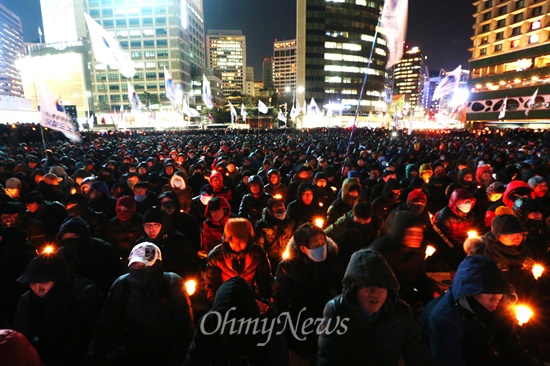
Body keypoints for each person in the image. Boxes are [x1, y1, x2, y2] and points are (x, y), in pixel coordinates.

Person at [419, 255, 540, 366]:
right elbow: (448, 360)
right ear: (470, 291)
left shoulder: (497, 306)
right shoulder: (443, 317)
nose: (496, 298)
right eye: (489, 291)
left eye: (499, 291)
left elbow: (512, 349)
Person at [86, 243, 195, 365]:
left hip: (166, 347)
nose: (138, 269)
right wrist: (97, 357)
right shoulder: (122, 285)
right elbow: (107, 324)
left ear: (156, 264)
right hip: (132, 346)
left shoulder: (172, 284)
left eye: (144, 266)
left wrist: (176, 360)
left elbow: (184, 328)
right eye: (135, 265)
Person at [317, 249, 431, 365]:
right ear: (354, 289)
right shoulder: (336, 310)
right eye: (368, 286)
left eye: (381, 286)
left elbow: (418, 355)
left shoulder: (400, 312)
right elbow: (327, 357)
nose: (375, 293)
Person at [14, 252, 103, 365]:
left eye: (44, 282)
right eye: (32, 282)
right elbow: (22, 335)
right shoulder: (28, 300)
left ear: (58, 280)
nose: (37, 289)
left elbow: (86, 336)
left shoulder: (85, 293)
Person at [272, 223, 342, 364]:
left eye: (323, 242)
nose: (321, 246)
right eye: (316, 245)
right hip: (301, 321)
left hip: (329, 317)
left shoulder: (333, 258)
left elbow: (341, 285)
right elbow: (279, 299)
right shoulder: (288, 267)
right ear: (303, 248)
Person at [184, 277, 289, 366]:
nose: (232, 333)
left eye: (240, 327)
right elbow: (193, 361)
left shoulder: (270, 328)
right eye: (226, 327)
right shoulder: (208, 325)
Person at [369, 211, 440, 311]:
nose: (416, 237)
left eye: (419, 233)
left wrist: (433, 291)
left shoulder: (417, 252)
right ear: (400, 232)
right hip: (384, 301)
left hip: (407, 297)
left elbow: (419, 276)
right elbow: (372, 285)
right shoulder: (380, 251)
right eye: (411, 233)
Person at [204, 218, 272, 303]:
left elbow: (264, 282)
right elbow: (212, 286)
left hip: (250, 299)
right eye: (233, 240)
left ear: (248, 239)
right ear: (227, 239)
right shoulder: (216, 257)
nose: (237, 244)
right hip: (225, 300)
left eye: (242, 240)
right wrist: (220, 304)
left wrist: (260, 302)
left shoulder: (257, 254)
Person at [136, 208, 199, 280]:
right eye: (147, 225)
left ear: (163, 225)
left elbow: (191, 264)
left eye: (156, 225)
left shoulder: (178, 240)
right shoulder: (141, 244)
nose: (151, 229)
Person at [324, 201, 382, 268]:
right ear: (354, 215)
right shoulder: (344, 222)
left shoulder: (377, 223)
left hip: (371, 257)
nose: (362, 223)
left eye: (365, 220)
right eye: (359, 220)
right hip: (348, 258)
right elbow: (326, 234)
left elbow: (386, 238)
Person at [254, 198, 295, 267]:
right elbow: (259, 247)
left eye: (283, 208)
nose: (281, 211)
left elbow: (294, 242)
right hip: (270, 261)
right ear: (270, 211)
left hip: (287, 260)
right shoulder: (261, 226)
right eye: (277, 209)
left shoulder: (290, 224)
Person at [102, 195, 144, 260]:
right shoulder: (111, 224)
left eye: (126, 210)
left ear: (132, 210)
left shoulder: (141, 223)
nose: (122, 213)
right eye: (119, 209)